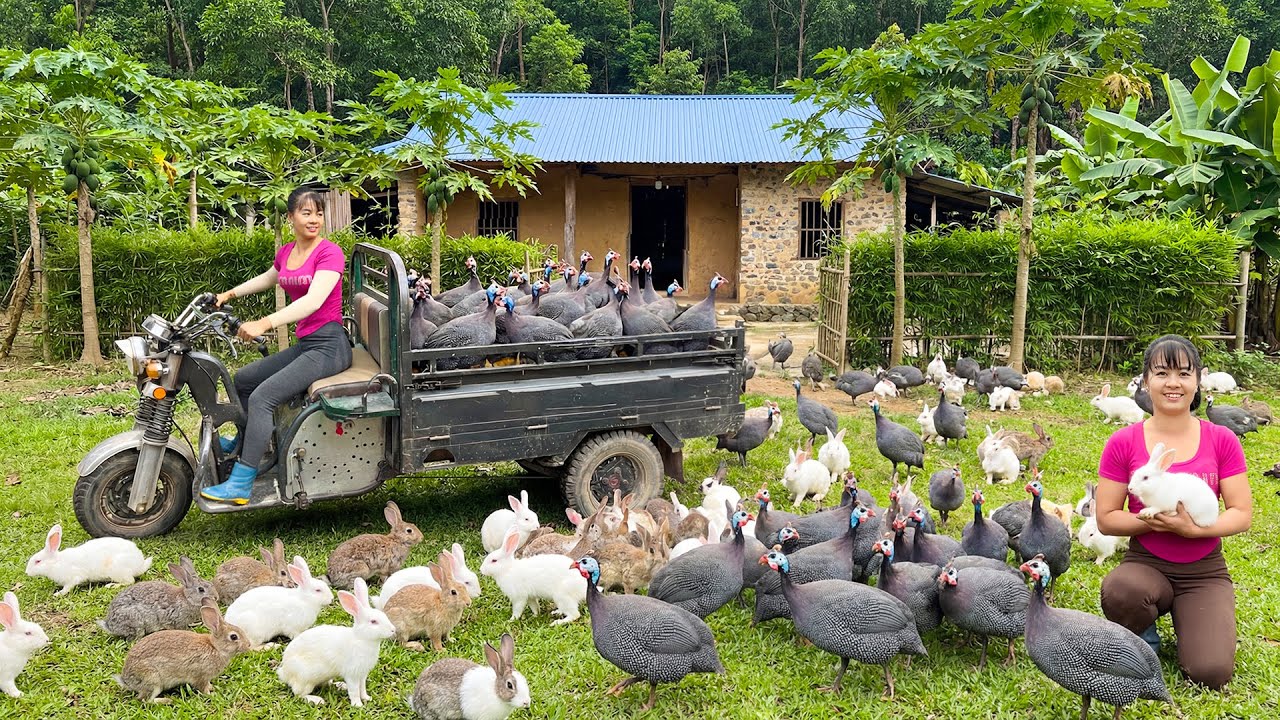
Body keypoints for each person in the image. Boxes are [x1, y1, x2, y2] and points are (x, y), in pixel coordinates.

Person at [1096, 334, 1252, 690]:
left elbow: (1241, 513)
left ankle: (1193, 623)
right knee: (1122, 590)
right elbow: (1106, 518)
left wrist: (1194, 530)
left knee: (1210, 672)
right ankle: (1144, 633)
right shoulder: (1123, 442)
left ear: (1197, 381)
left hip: (1205, 570)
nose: (1173, 383)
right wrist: (1156, 522)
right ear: (1146, 380)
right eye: (1162, 372)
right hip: (1146, 562)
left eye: (1184, 373)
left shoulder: (1222, 439)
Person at [200, 187, 352, 504]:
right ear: (291, 217)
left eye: (319, 213)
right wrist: (229, 295)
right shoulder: (287, 253)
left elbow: (313, 301)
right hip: (308, 344)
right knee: (244, 380)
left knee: (263, 397)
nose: (314, 220)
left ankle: (241, 484)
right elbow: (269, 278)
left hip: (329, 347)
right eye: (306, 213)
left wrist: (265, 322)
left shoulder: (329, 253)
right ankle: (248, 444)